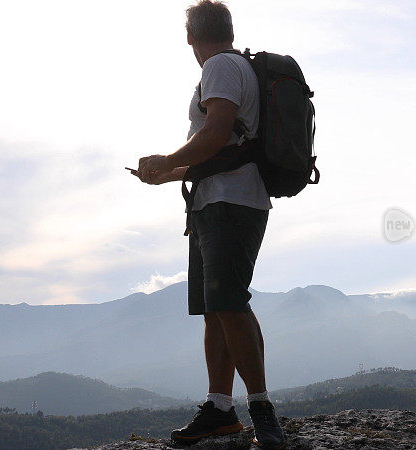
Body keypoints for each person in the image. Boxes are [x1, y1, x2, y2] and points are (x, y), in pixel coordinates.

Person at [134, 1, 286, 449]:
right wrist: (171, 173)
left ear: (190, 38)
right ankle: (220, 408)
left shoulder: (220, 65)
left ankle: (261, 410)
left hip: (229, 204)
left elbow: (217, 132)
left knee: (231, 304)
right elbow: (223, 149)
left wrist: (167, 158)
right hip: (215, 199)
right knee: (215, 308)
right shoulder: (237, 67)